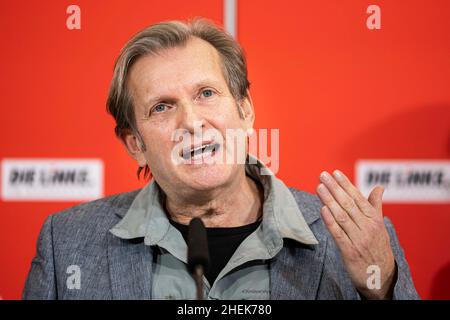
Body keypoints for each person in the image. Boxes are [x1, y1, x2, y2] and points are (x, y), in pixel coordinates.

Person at [23, 19, 419, 300]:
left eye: (207, 94)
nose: (192, 122)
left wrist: (380, 290)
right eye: (162, 107)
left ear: (245, 110)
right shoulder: (68, 244)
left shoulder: (353, 240)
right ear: (134, 143)